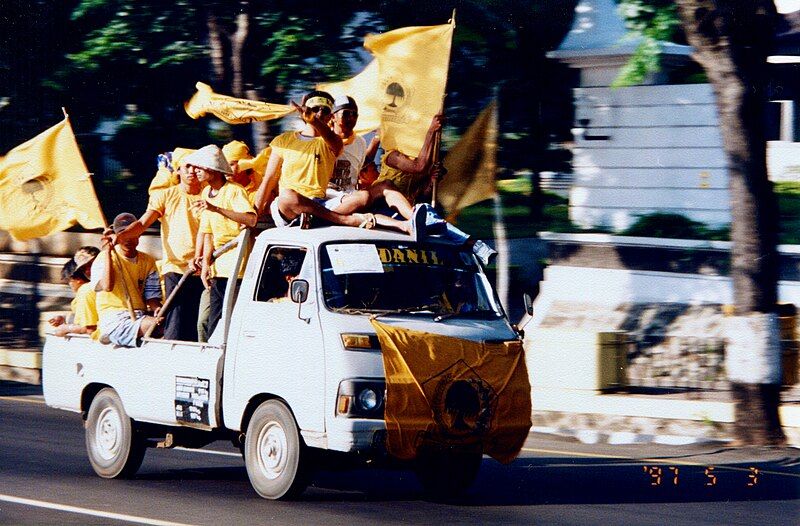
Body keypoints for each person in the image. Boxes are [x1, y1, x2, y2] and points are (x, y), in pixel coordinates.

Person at [253, 90, 424, 236]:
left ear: (330, 116)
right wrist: (254, 213)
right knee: (287, 195)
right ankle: (345, 220)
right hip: (291, 206)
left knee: (363, 196)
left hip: (321, 205)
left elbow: (335, 142)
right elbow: (269, 179)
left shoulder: (332, 142)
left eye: (324, 110)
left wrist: (314, 120)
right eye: (314, 109)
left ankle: (412, 221)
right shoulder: (283, 140)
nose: (319, 113)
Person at [113, 151, 205, 341]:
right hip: (177, 270)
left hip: (205, 270)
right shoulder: (166, 195)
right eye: (187, 166)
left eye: (196, 166)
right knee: (176, 325)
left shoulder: (210, 194)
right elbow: (142, 223)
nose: (192, 171)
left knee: (201, 325)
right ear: (178, 170)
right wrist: (120, 236)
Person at [187, 144, 257, 339]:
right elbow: (208, 232)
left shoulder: (234, 191)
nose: (195, 172)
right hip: (219, 268)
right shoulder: (205, 194)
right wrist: (206, 262)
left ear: (211, 169)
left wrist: (216, 209)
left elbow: (251, 219)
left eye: (199, 168)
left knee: (225, 322)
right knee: (208, 321)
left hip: (237, 267)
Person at [91, 213, 162, 346]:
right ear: (117, 236)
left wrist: (157, 309)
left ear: (139, 234)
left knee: (170, 323)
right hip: (114, 319)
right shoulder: (103, 258)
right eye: (123, 233)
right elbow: (107, 286)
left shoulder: (148, 261)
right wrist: (107, 252)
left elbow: (152, 297)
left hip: (139, 316)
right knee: (157, 326)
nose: (128, 238)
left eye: (132, 233)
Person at [222, 140, 262, 206]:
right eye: (223, 165)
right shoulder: (217, 190)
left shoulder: (259, 190)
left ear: (244, 165)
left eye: (231, 164)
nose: (225, 170)